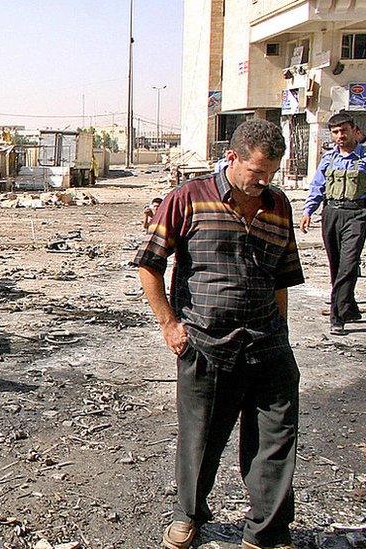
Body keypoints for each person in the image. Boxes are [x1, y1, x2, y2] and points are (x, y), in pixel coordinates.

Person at [135, 119, 304, 549]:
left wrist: (281, 334)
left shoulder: (278, 205)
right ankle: (189, 515)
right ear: (232, 158)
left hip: (267, 344)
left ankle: (265, 532)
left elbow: (282, 278)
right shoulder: (188, 199)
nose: (263, 182)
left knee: (275, 439)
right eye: (256, 173)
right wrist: (169, 324)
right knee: (201, 439)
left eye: (270, 174)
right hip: (207, 345)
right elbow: (150, 264)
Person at [300, 111, 366, 335]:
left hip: (357, 214)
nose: (340, 136)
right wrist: (308, 210)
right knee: (336, 265)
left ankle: (337, 316)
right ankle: (349, 307)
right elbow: (318, 186)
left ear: (354, 131)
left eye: (344, 131)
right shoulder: (329, 158)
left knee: (348, 265)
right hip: (331, 213)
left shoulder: (364, 157)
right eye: (336, 132)